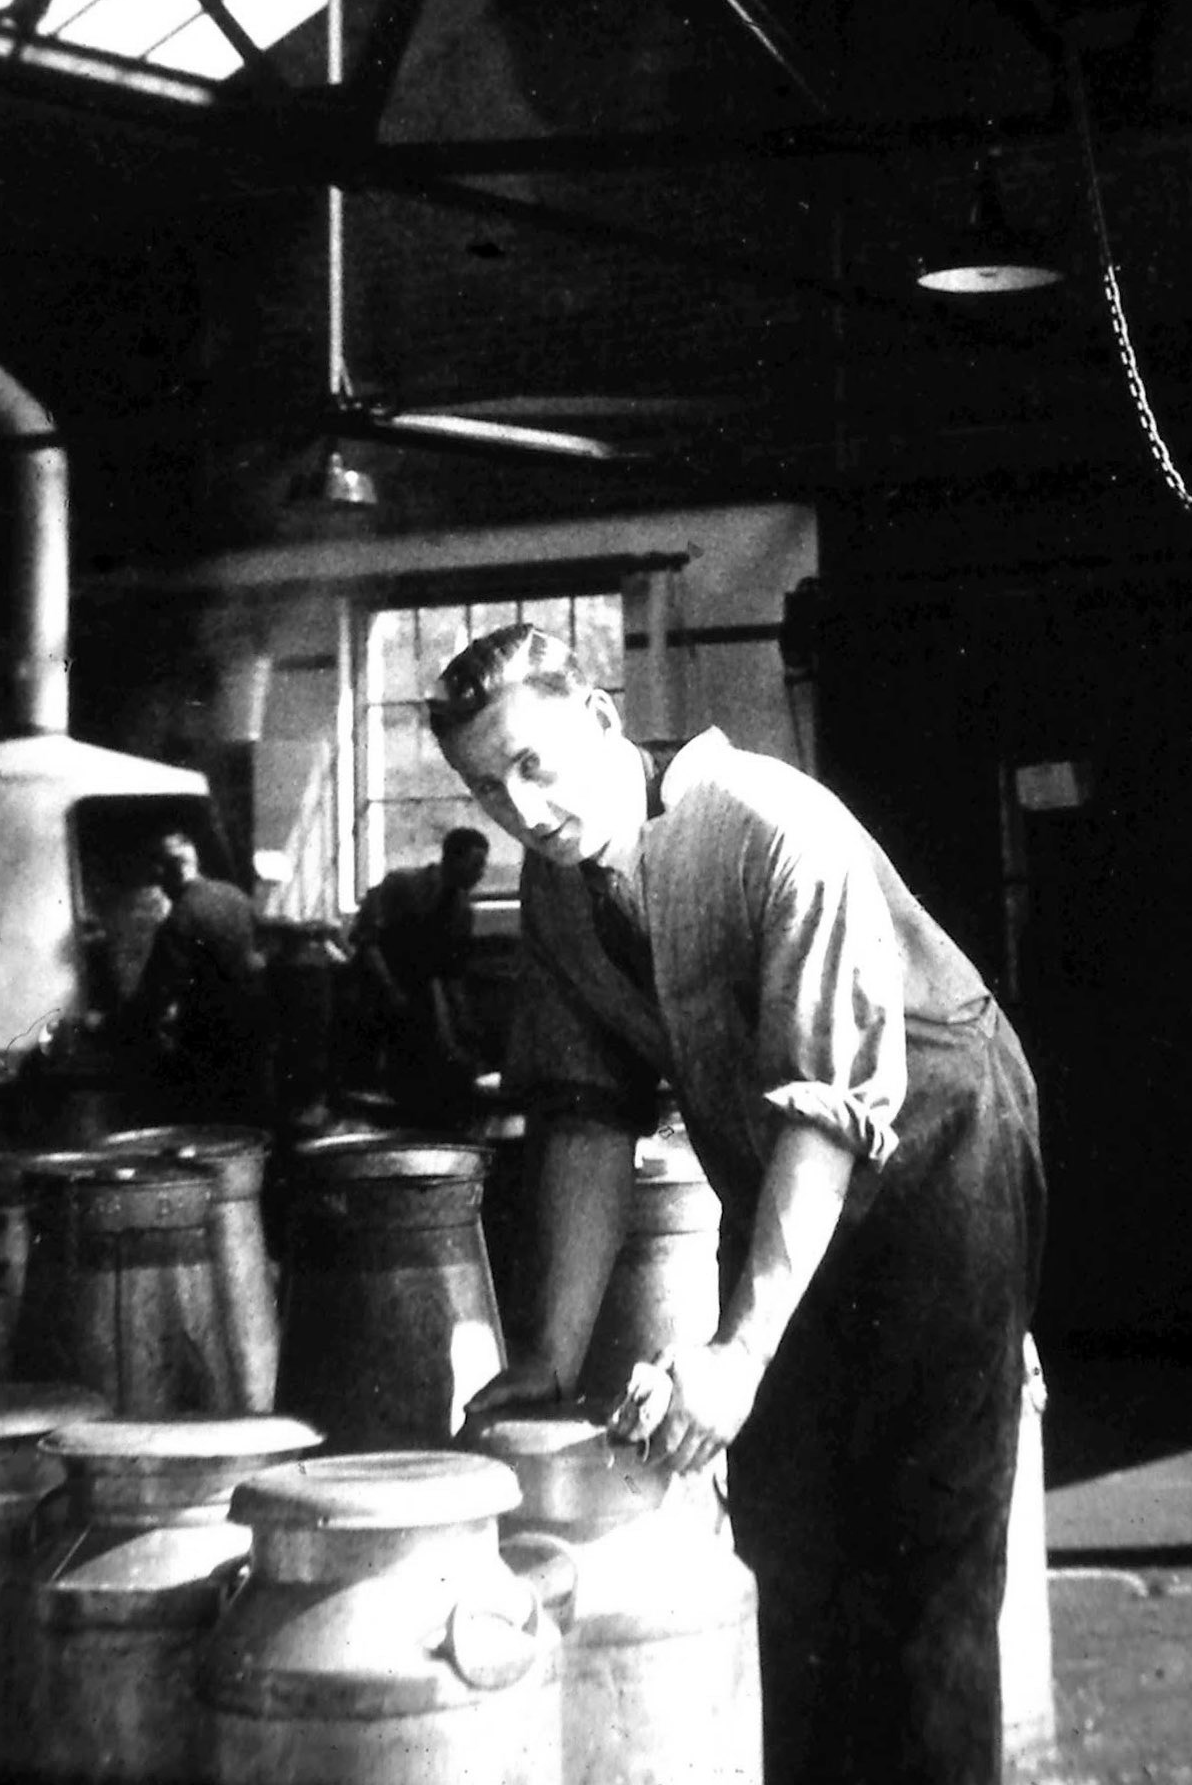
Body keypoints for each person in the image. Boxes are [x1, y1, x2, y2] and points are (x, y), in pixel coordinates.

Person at [428, 623, 1045, 1785]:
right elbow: (584, 1112)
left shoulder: (768, 824)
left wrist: (740, 1348)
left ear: (603, 719)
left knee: (919, 1558)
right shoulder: (559, 895)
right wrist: (550, 1351)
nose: (521, 809)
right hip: (782, 1176)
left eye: (535, 762)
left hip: (937, 1155)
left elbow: (827, 1111)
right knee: (785, 1541)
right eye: (485, 787)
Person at [348, 827, 490, 1122]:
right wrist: (390, 991)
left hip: (419, 997)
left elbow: (451, 975)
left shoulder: (462, 912)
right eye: (476, 864)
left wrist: (462, 1024)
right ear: (452, 858)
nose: (481, 873)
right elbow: (366, 941)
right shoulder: (401, 885)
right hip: (373, 991)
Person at [131, 830, 271, 1124]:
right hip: (255, 1025)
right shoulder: (235, 896)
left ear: (165, 872)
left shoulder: (181, 918)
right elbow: (261, 948)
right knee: (249, 1121)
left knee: (210, 1124)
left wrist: (120, 1024)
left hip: (210, 1036)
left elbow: (155, 991)